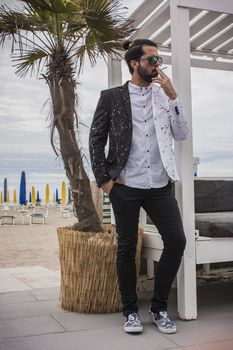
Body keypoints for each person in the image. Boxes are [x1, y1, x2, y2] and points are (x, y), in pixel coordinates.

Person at [89, 38, 189, 334]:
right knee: (127, 246)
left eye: (159, 60)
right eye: (152, 60)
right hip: (125, 184)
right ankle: (130, 312)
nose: (158, 65)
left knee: (177, 241)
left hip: (159, 184)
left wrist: (173, 96)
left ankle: (158, 308)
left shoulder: (163, 94)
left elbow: (181, 134)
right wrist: (105, 180)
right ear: (135, 63)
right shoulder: (111, 97)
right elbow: (96, 138)